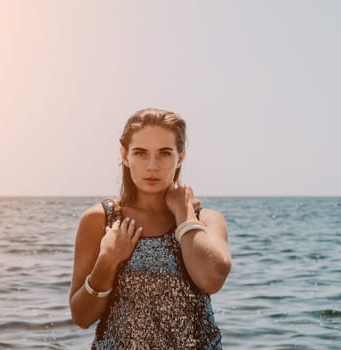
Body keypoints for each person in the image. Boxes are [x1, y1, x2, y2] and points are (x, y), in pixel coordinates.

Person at [69, 108, 232, 349]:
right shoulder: (101, 219)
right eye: (141, 153)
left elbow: (212, 279)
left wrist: (183, 214)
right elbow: (81, 318)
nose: (152, 166)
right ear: (125, 155)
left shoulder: (206, 220)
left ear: (181, 156)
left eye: (165, 153)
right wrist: (107, 260)